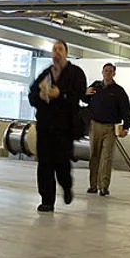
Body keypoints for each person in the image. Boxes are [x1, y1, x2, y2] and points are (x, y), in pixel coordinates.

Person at [29, 40, 87, 212]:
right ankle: (47, 200)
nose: (56, 52)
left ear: (66, 53)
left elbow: (79, 94)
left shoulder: (76, 73)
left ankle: (66, 186)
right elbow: (32, 97)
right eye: (54, 49)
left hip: (65, 128)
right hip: (45, 127)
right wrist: (40, 95)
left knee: (61, 163)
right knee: (45, 164)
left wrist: (60, 94)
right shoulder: (45, 74)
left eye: (60, 49)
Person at [82, 63, 130, 196]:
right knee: (94, 155)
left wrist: (126, 127)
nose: (108, 73)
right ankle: (93, 185)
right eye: (106, 71)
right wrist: (84, 92)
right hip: (95, 125)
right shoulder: (96, 86)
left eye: (110, 71)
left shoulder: (119, 91)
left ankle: (103, 186)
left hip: (110, 127)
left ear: (114, 74)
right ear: (102, 72)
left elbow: (126, 110)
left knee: (107, 157)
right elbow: (84, 99)